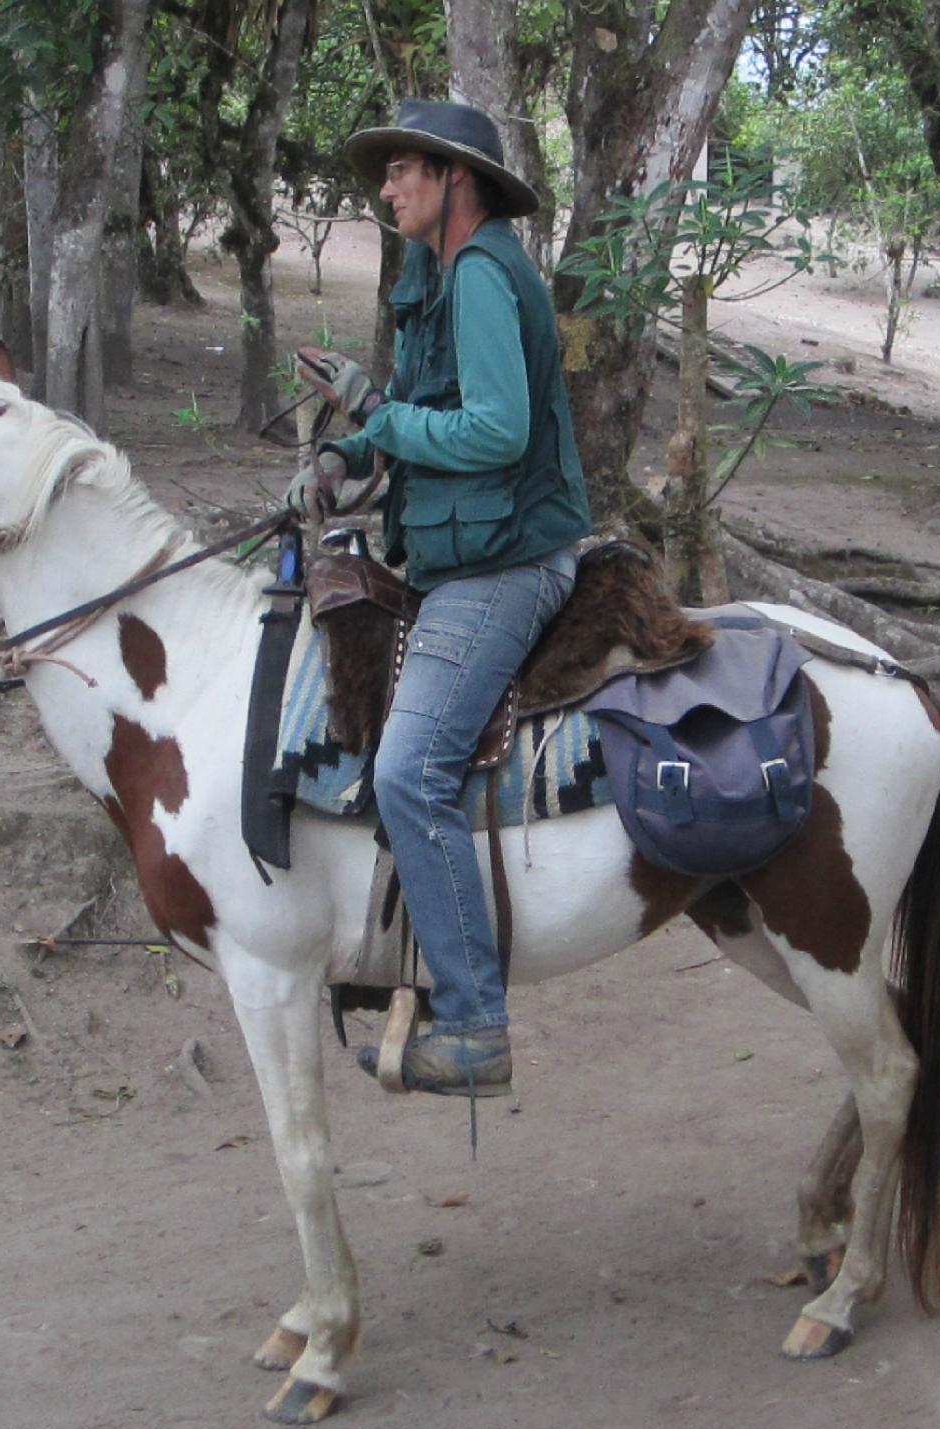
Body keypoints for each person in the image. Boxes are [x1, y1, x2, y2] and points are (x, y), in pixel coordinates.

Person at [291, 100, 591, 1098]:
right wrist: (346, 448)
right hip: (457, 559)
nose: (386, 189)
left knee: (410, 774)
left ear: (453, 178)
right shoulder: (434, 276)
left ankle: (471, 1022)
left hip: (505, 567)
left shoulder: (479, 276)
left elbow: (497, 431)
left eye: (401, 171)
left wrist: (378, 417)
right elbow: (421, 410)